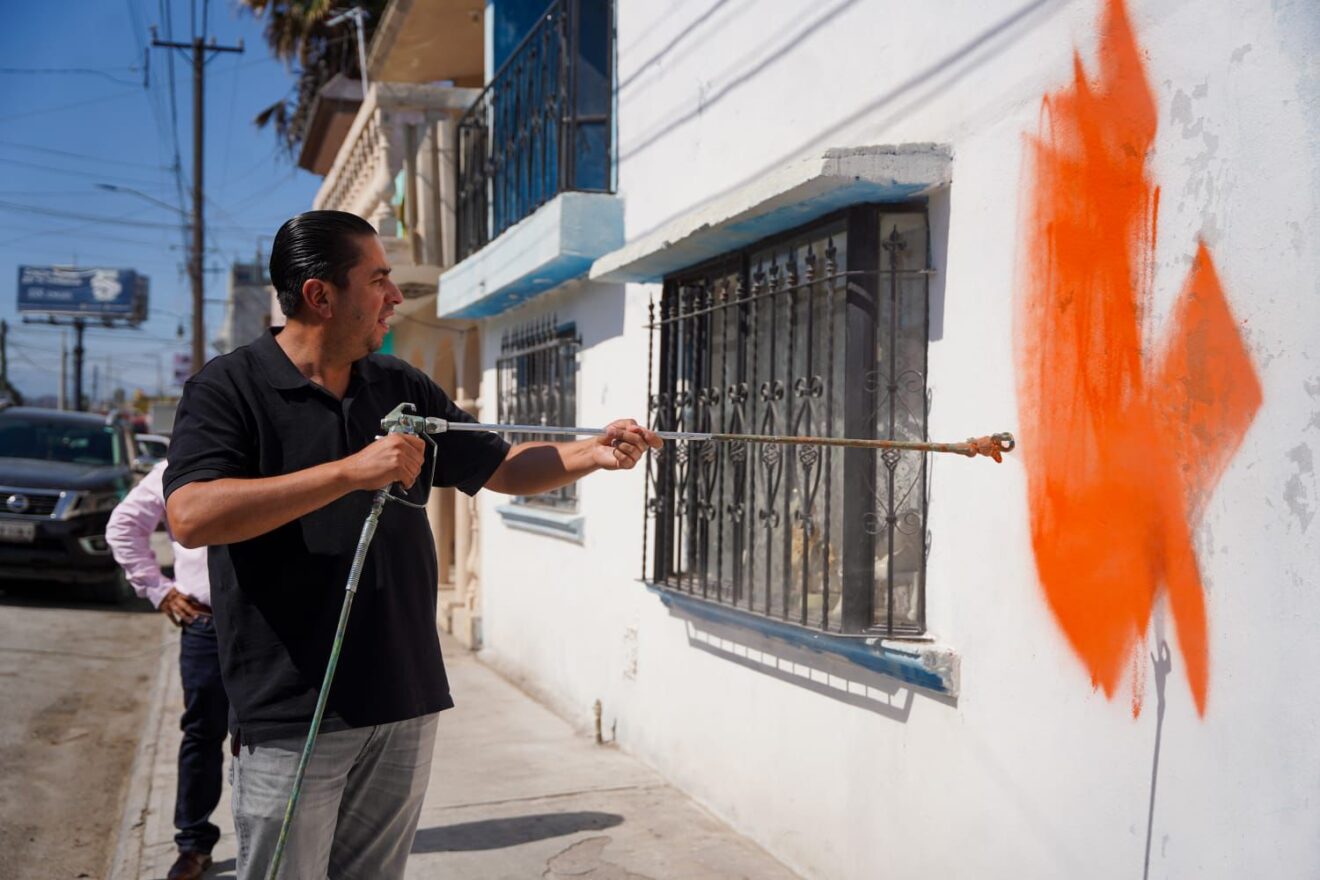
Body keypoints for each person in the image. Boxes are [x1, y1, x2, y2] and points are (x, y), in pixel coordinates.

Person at [163, 210, 661, 880]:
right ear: (320, 295)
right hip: (292, 713)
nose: (396, 296)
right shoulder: (229, 388)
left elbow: (502, 465)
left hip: (403, 696)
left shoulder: (398, 384)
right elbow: (191, 514)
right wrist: (349, 472)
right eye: (378, 280)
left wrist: (591, 453)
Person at [106, 459, 224, 880]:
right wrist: (158, 589)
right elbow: (123, 526)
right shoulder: (178, 466)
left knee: (270, 737)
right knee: (202, 732)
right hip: (206, 623)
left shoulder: (268, 448)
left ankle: (273, 838)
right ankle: (193, 844)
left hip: (275, 626)